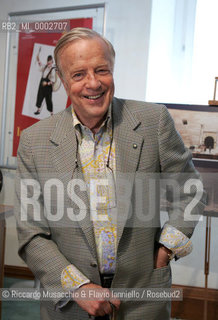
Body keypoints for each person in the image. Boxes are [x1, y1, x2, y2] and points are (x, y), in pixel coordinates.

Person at [14, 28, 206, 320]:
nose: (93, 83)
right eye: (78, 75)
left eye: (101, 70)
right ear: (64, 82)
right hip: (70, 306)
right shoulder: (33, 140)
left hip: (144, 296)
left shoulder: (153, 122)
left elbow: (190, 191)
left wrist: (166, 249)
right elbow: (32, 233)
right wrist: (77, 287)